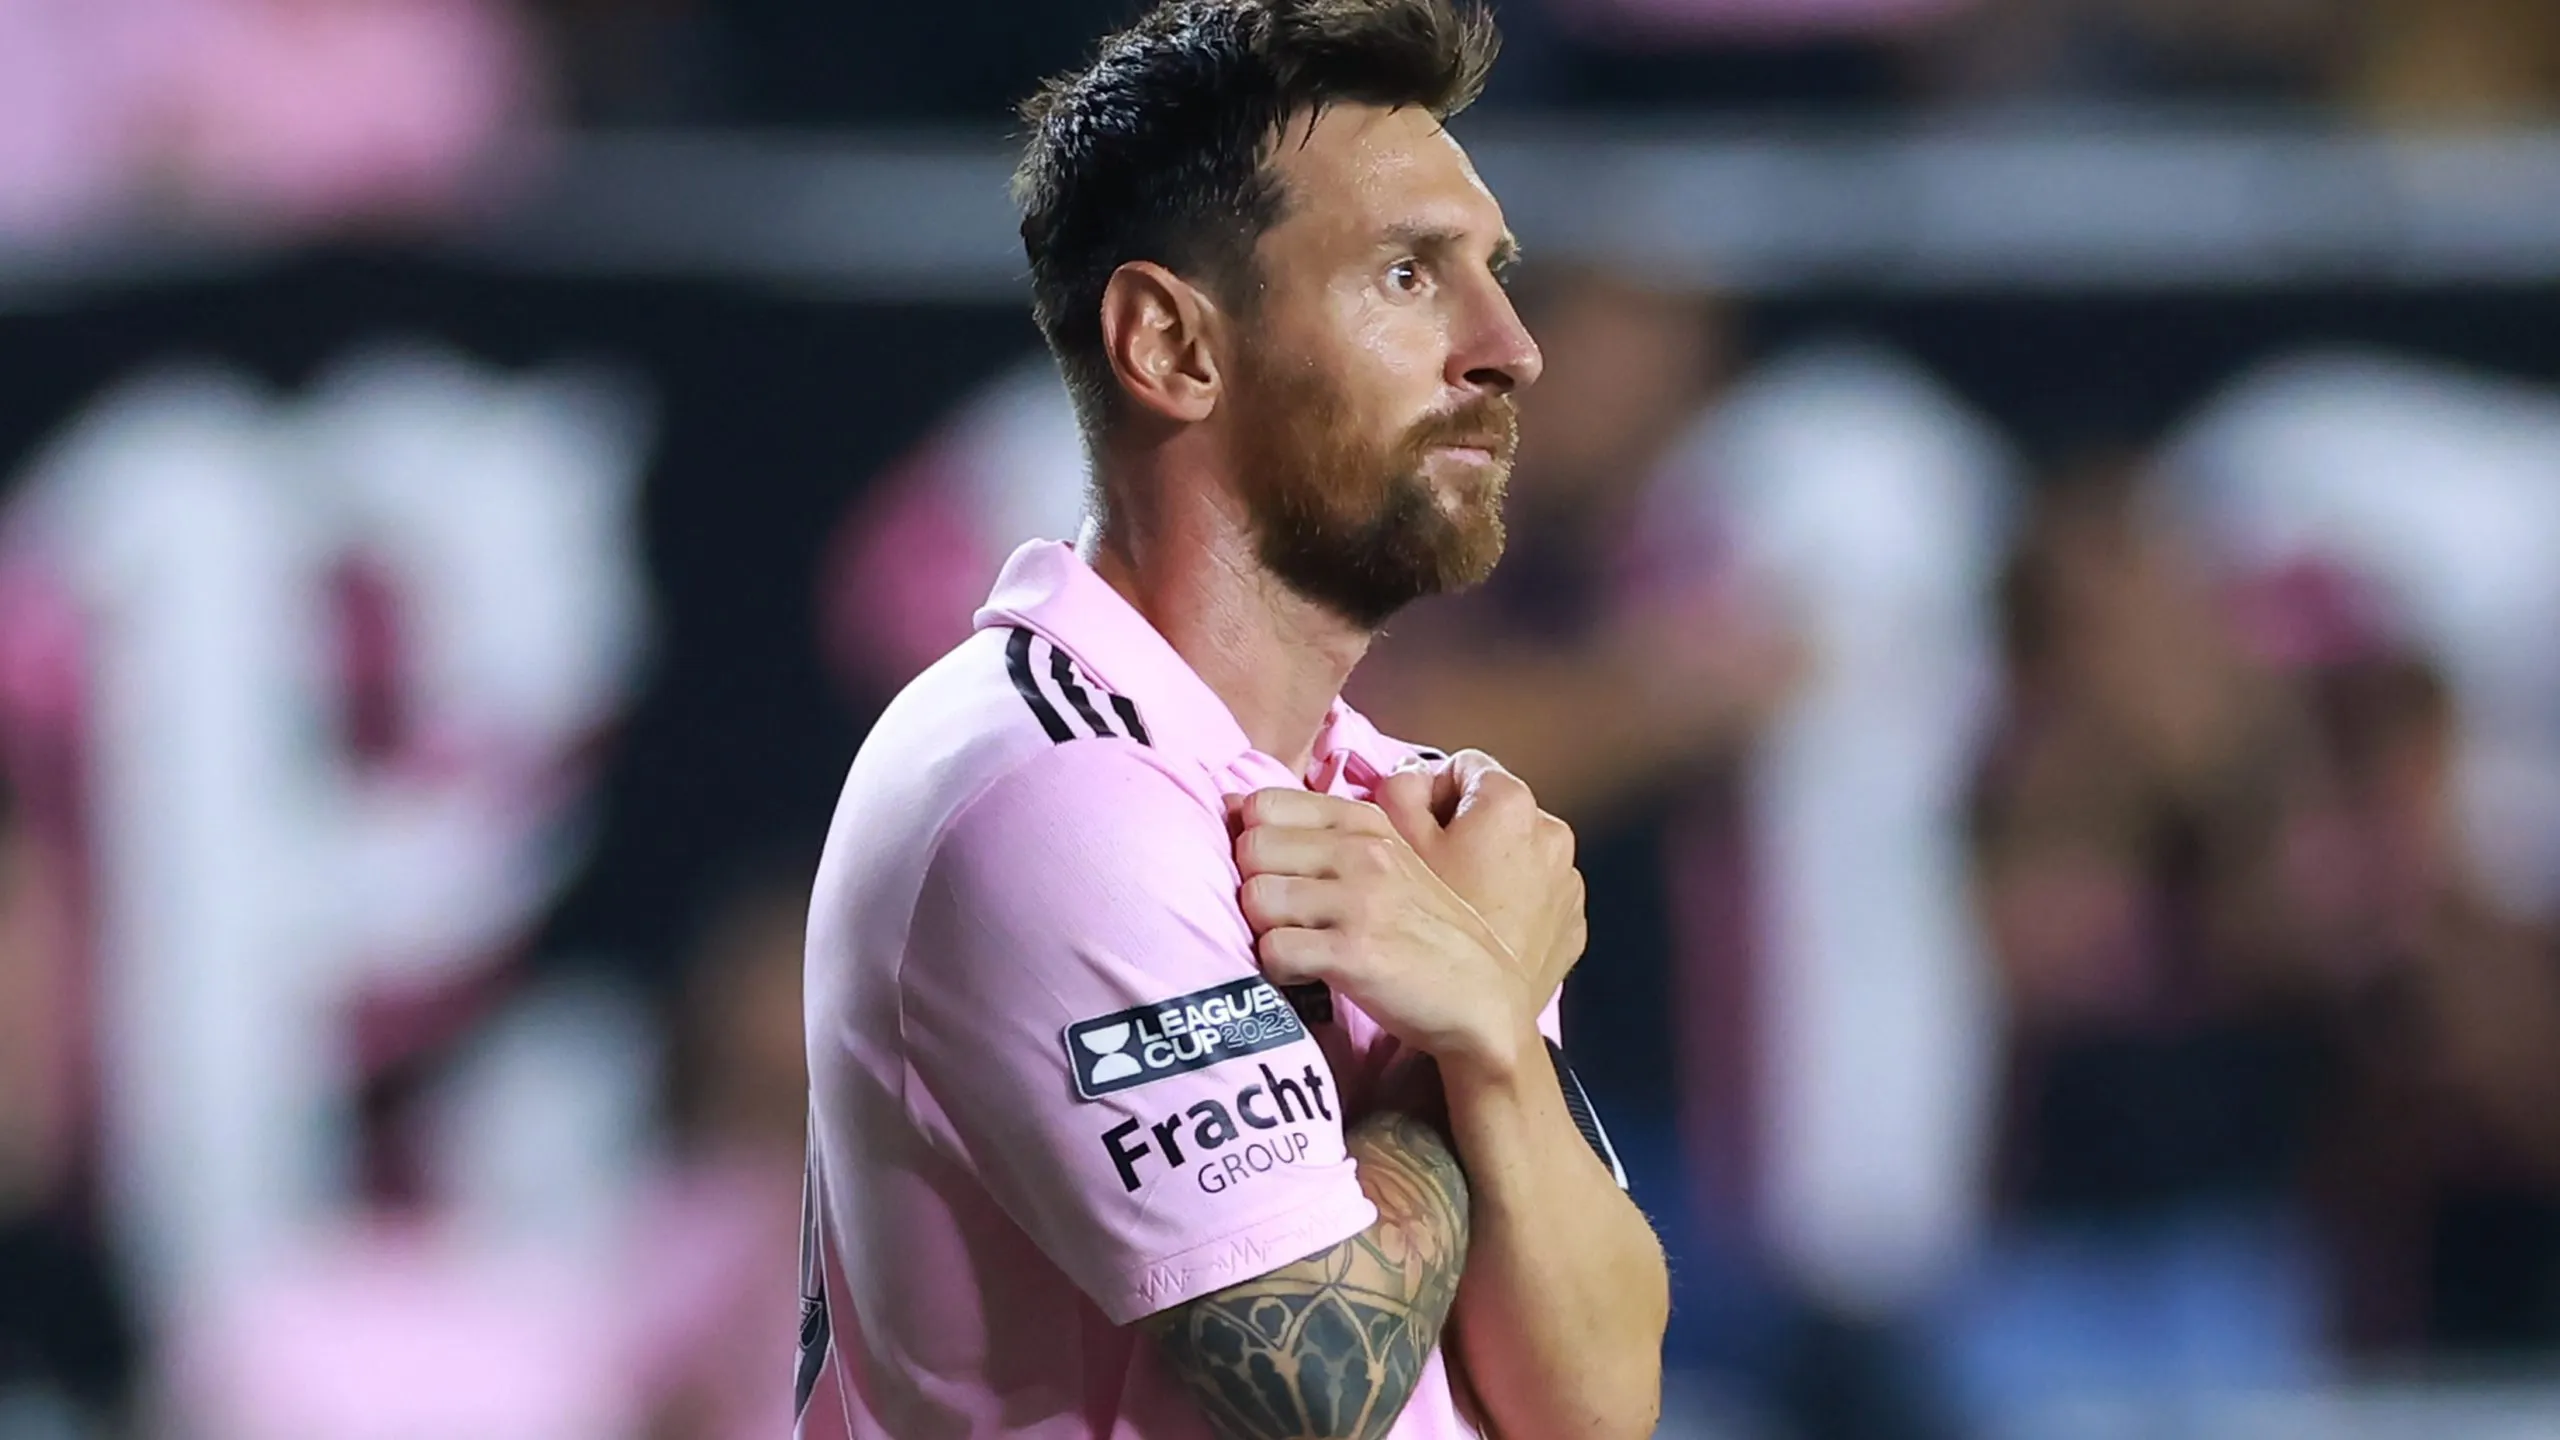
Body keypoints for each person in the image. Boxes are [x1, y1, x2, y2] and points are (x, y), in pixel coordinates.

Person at [795, 1, 1670, 1436]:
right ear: (1172, 347)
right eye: (1407, 274)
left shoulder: (1402, 816)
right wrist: (1471, 1001)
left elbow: (1597, 1403)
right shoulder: (1051, 787)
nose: (1508, 347)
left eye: (1494, 276)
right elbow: (1310, 1381)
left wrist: (1493, 1044)